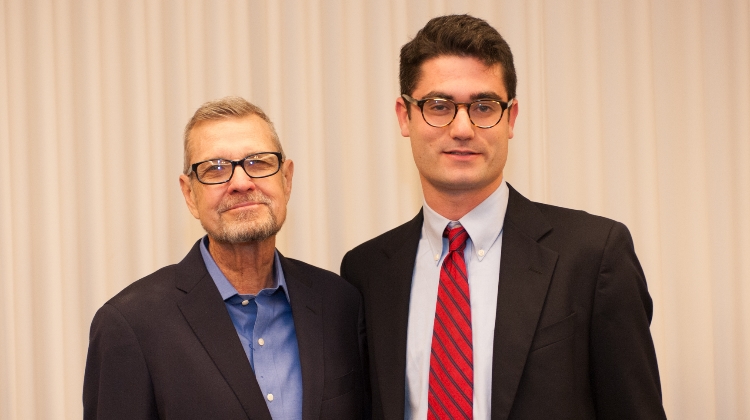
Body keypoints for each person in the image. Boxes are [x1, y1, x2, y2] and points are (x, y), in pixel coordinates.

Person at [340, 14, 666, 420]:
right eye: (439, 106)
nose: (462, 128)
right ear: (405, 116)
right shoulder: (366, 271)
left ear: (510, 119)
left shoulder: (593, 255)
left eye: (483, 106)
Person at [84, 96, 367, 419]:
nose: (241, 183)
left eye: (258, 162)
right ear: (189, 194)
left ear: (286, 180)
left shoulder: (340, 304)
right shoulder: (130, 326)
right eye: (215, 169)